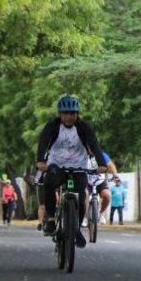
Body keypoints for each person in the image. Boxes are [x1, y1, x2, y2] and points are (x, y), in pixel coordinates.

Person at [35, 95, 106, 248]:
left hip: (78, 166)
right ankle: (52, 219)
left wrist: (102, 163)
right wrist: (41, 161)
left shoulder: (83, 127)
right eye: (65, 113)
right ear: (60, 114)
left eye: (72, 113)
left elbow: (94, 144)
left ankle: (77, 229)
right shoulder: (53, 126)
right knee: (48, 183)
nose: (69, 117)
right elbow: (43, 142)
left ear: (77, 114)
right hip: (57, 166)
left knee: (81, 198)